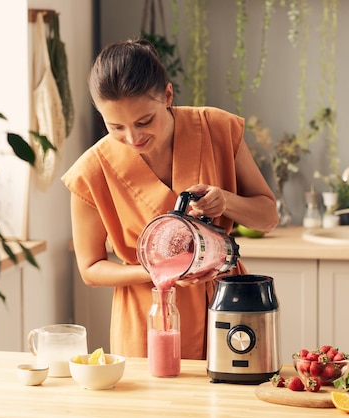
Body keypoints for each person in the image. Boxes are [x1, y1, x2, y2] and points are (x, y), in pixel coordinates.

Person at [61, 39, 278, 360]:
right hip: (148, 315)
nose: (133, 138)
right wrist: (158, 272)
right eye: (115, 126)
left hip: (227, 306)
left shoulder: (217, 129)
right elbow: (91, 269)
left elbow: (267, 218)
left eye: (144, 121)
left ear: (167, 95)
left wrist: (226, 202)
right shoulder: (91, 171)